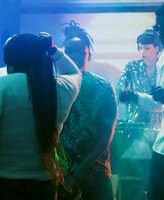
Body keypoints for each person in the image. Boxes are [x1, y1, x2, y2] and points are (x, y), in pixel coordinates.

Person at [0, 33, 82, 200]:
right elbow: (75, 73)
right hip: (45, 184)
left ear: (9, 61)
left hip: (3, 184)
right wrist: (54, 50)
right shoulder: (59, 88)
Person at [120, 1, 164, 199]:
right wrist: (134, 96)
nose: (159, 33)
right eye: (157, 28)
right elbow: (159, 104)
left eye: (162, 27)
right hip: (163, 146)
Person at [58, 21, 117, 200]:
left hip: (95, 173)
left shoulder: (103, 88)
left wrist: (80, 171)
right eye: (69, 51)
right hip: (61, 175)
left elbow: (105, 137)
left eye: (79, 51)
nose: (74, 56)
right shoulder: (55, 87)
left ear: (88, 54)